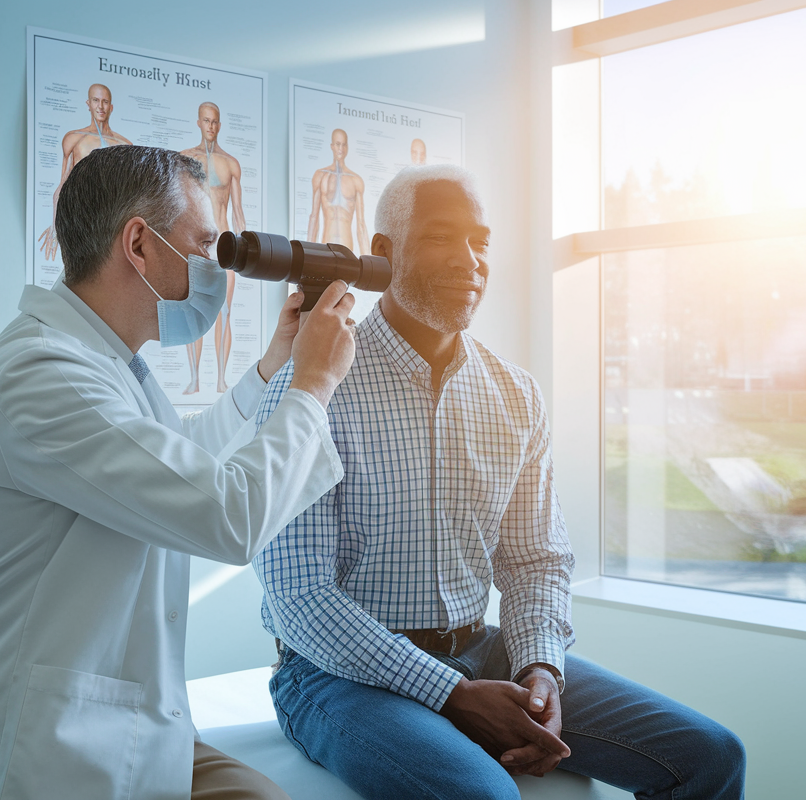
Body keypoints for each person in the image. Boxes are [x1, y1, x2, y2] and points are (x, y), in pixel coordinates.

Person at [254, 165, 746, 800]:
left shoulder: (515, 395)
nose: (469, 261)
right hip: (333, 675)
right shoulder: (309, 388)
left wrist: (541, 668)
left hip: (478, 652)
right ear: (383, 253)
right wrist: (451, 694)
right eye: (440, 238)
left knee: (710, 757)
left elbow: (536, 559)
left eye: (480, 242)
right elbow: (300, 597)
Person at [0, 145, 358, 800]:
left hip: (124, 724)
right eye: (204, 248)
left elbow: (182, 462)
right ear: (139, 245)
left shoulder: (105, 365)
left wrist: (272, 368)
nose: (214, 271)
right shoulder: (39, 376)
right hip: (39, 745)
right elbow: (226, 516)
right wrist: (313, 385)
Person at [179, 101, 245, 394]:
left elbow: (239, 213)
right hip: (196, 245)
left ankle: (220, 379)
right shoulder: (184, 159)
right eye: (206, 120)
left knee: (225, 311)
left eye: (215, 121)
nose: (210, 126)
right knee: (194, 308)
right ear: (198, 122)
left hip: (225, 245)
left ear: (219, 125)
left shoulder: (230, 164)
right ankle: (194, 379)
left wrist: (249, 252)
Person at [38, 83, 133, 262]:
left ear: (111, 107)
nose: (100, 106)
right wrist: (55, 226)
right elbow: (62, 185)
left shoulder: (125, 145)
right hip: (81, 219)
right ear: (88, 103)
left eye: (105, 102)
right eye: (96, 100)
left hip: (110, 224)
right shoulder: (74, 138)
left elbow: (127, 195)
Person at [307, 128, 367, 254]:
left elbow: (361, 224)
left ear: (348, 147)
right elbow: (314, 218)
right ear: (332, 146)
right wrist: (307, 254)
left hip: (347, 250)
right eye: (338, 144)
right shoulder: (320, 176)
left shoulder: (356, 180)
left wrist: (368, 261)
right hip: (326, 247)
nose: (341, 148)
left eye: (344, 144)